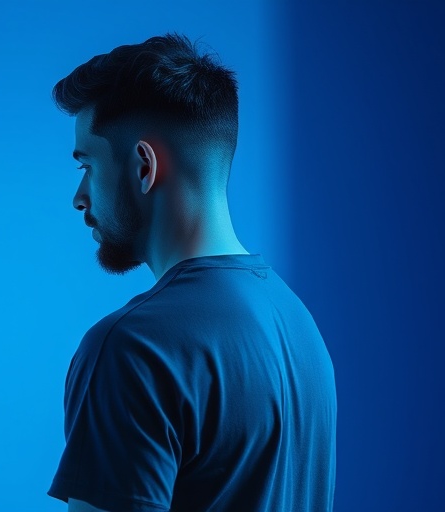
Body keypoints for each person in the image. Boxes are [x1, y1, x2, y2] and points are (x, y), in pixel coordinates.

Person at [47, 33, 337, 512]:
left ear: (144, 166)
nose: (80, 197)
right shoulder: (298, 325)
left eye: (89, 165)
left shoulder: (134, 347)